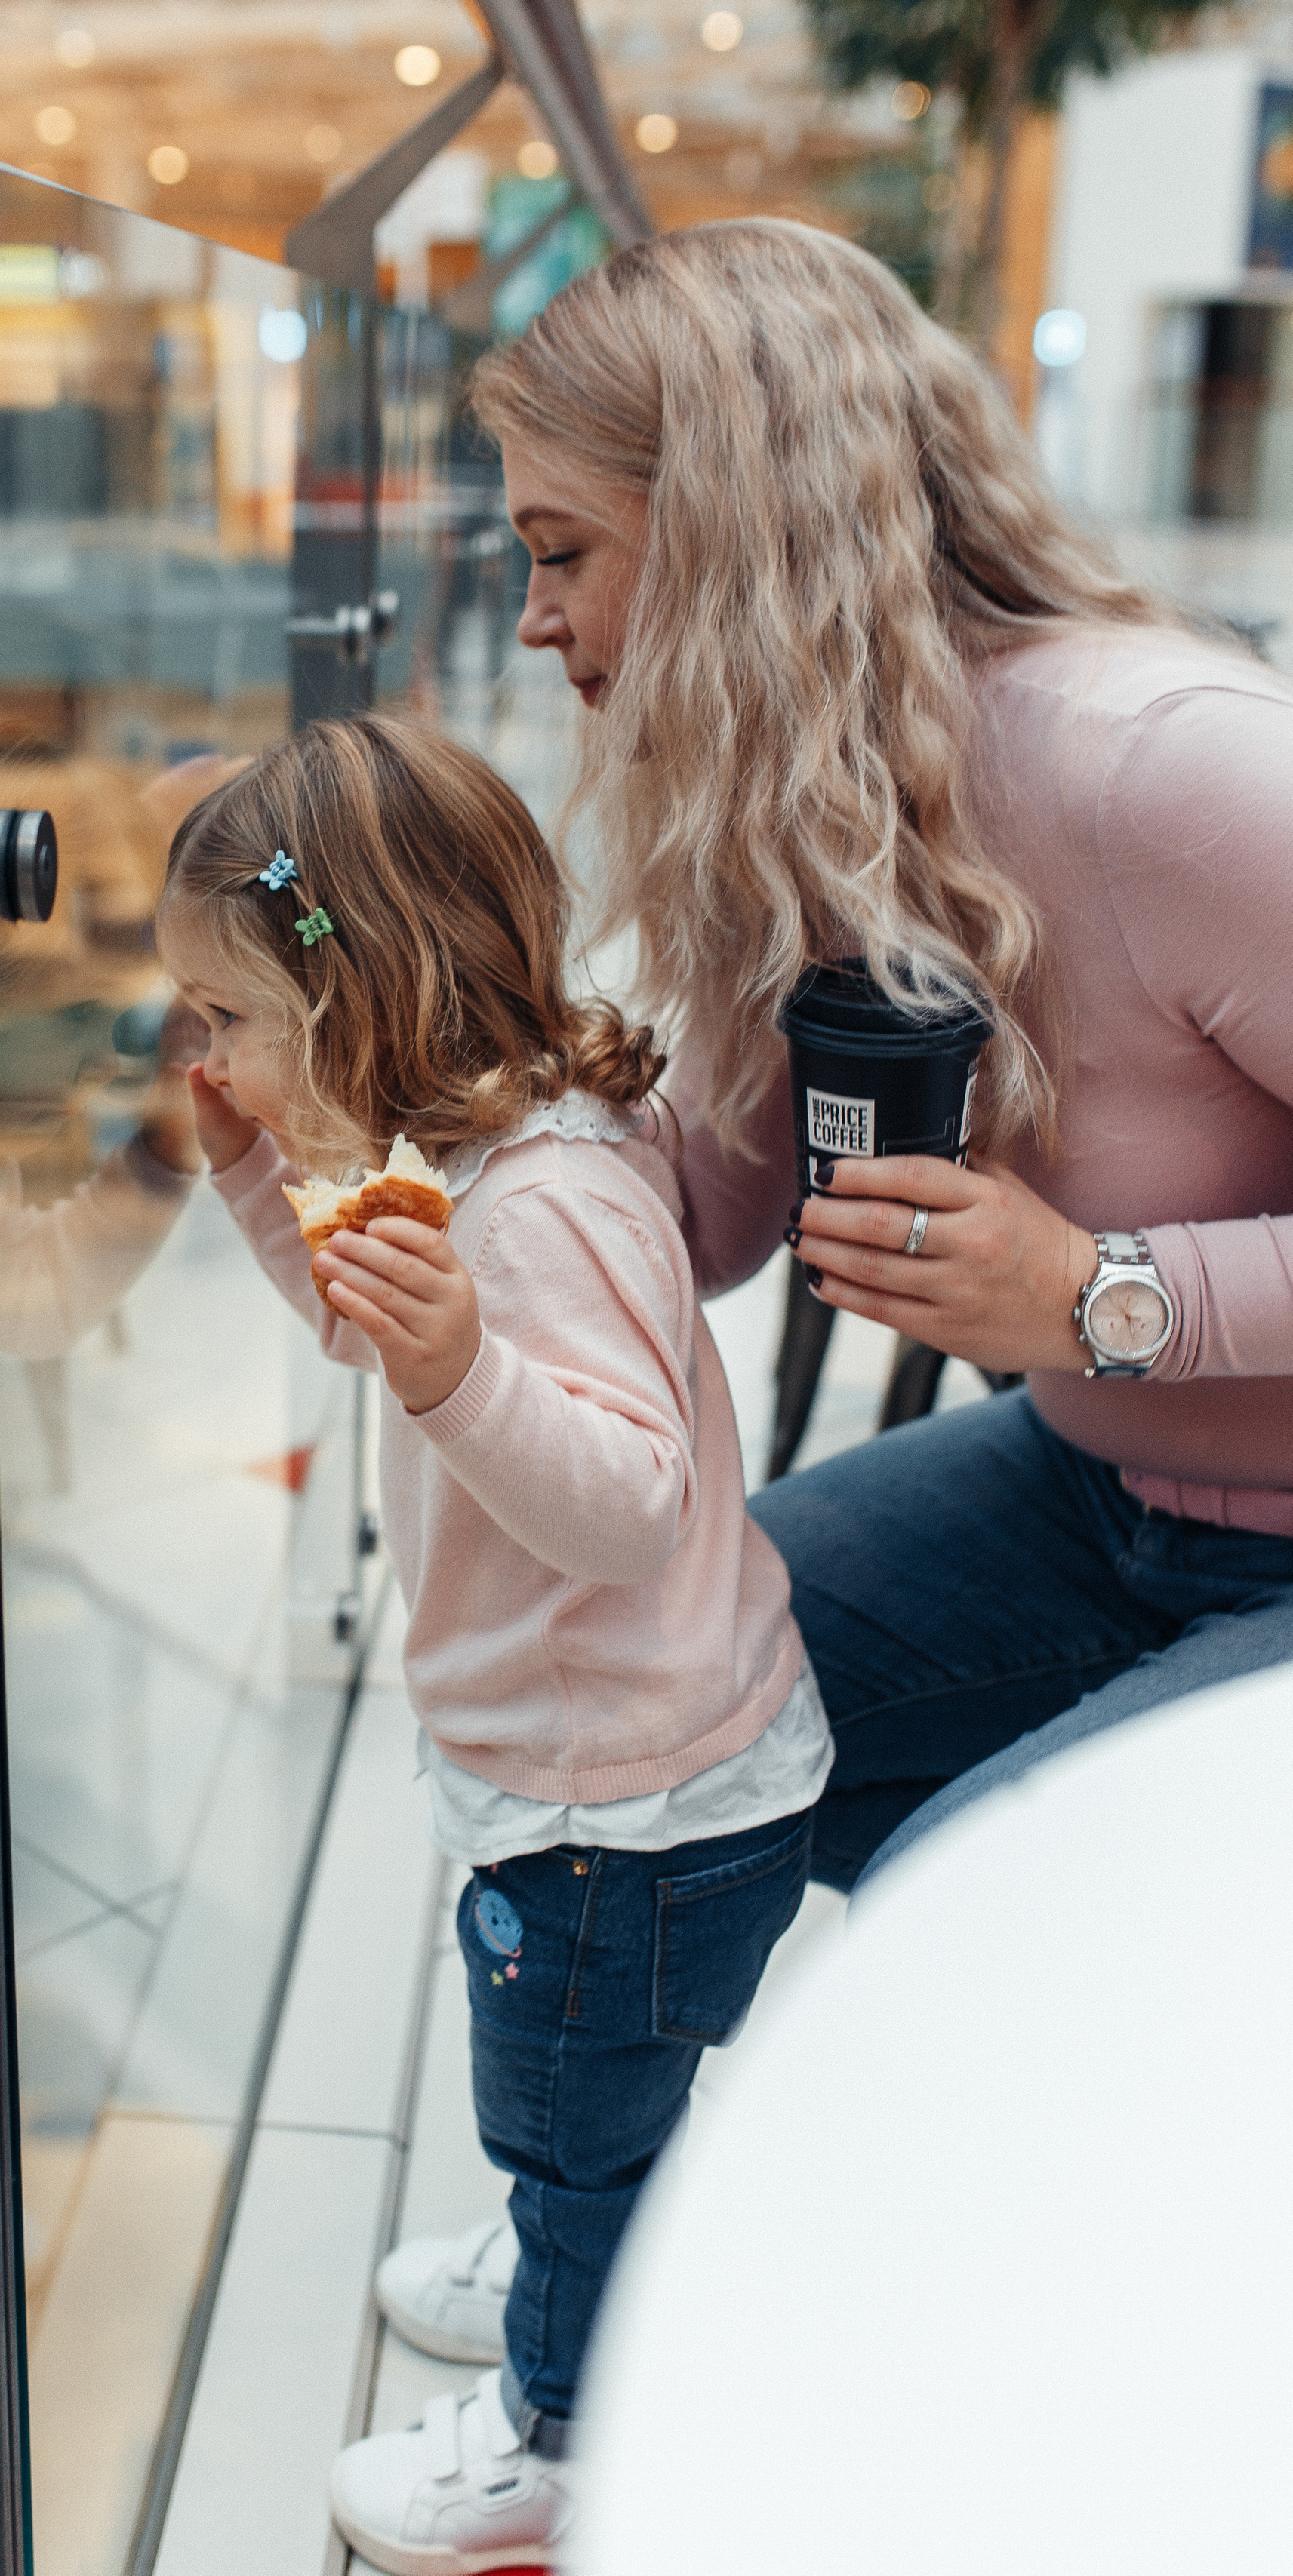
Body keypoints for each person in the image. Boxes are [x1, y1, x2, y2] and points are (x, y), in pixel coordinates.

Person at [461, 218, 1293, 1886]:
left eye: (562, 552)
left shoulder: (1172, 774)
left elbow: (1081, 1290)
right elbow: (706, 1218)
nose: (537, 622)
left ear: (722, 538)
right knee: (665, 1729)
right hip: (1088, 1489)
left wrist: (1095, 1293)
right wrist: (388, 1053)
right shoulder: (808, 807)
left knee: (983, 1905)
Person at [158, 715, 831, 2571]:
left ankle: (559, 2426)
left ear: (357, 993)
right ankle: (568, 2237)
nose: (204, 1053)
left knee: (564, 2119)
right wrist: (244, 1174)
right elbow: (364, 1325)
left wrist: (461, 1365)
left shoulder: (531, 1215)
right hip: (620, 1778)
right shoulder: (473, 1132)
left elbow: (622, 1500)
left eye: (229, 1018)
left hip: (621, 1814)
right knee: (573, 2101)